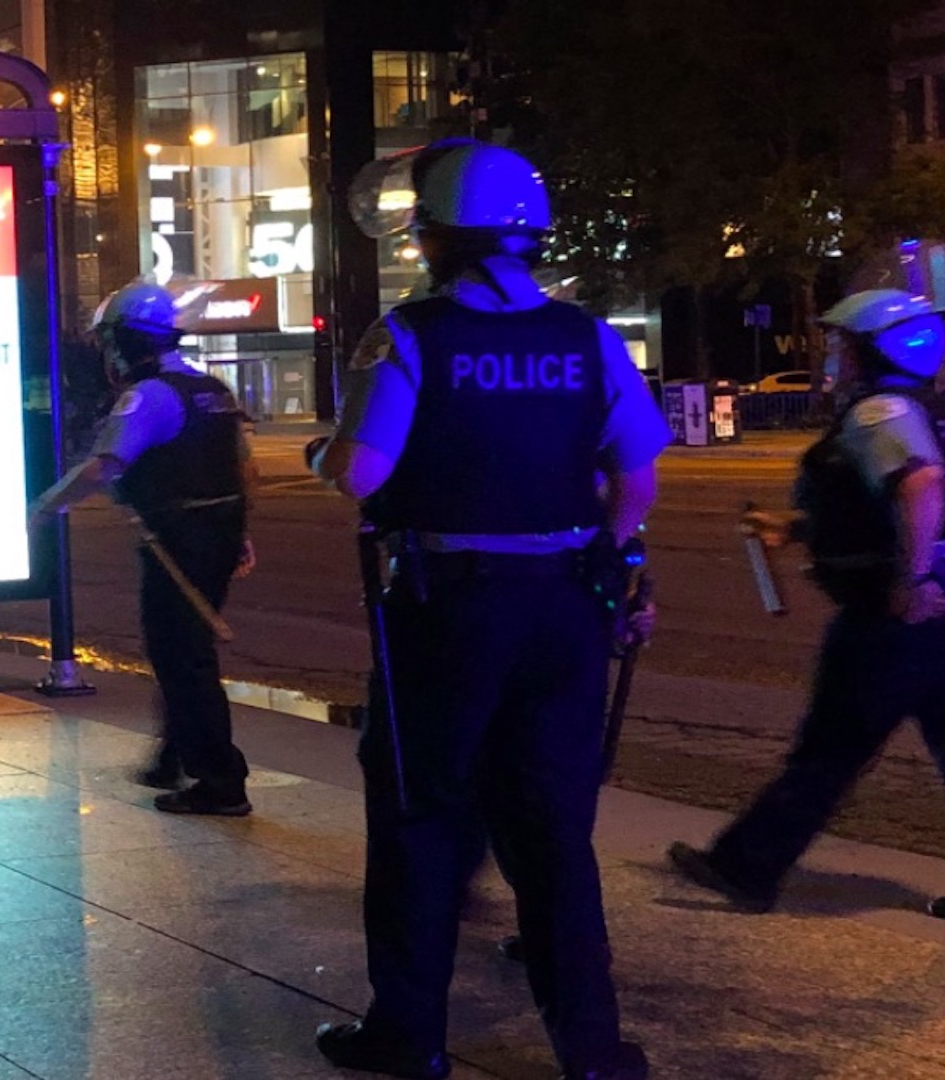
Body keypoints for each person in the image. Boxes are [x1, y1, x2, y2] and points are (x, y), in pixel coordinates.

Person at [311, 139, 665, 1080]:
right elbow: (635, 476)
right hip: (564, 609)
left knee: (424, 818)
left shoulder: (410, 333)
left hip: (450, 609)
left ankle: (410, 1036)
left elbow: (362, 472)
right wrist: (611, 555)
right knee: (555, 829)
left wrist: (322, 453)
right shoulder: (586, 336)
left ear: (431, 237)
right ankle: (591, 1049)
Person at [670, 287, 945, 913]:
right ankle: (747, 862)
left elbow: (921, 488)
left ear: (878, 349)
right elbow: (872, 508)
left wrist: (914, 581)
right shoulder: (925, 408)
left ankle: (747, 865)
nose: (832, 354)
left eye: (842, 344)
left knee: (830, 750)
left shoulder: (882, 414)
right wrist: (795, 527)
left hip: (894, 617)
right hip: (932, 615)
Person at [30, 280, 257, 816]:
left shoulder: (148, 396)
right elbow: (239, 465)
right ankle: (172, 756)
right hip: (214, 534)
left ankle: (220, 779)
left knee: (182, 656)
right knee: (183, 649)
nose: (106, 353)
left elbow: (105, 465)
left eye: (110, 341)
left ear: (126, 342)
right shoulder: (210, 389)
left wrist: (48, 505)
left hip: (179, 541)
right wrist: (239, 532)